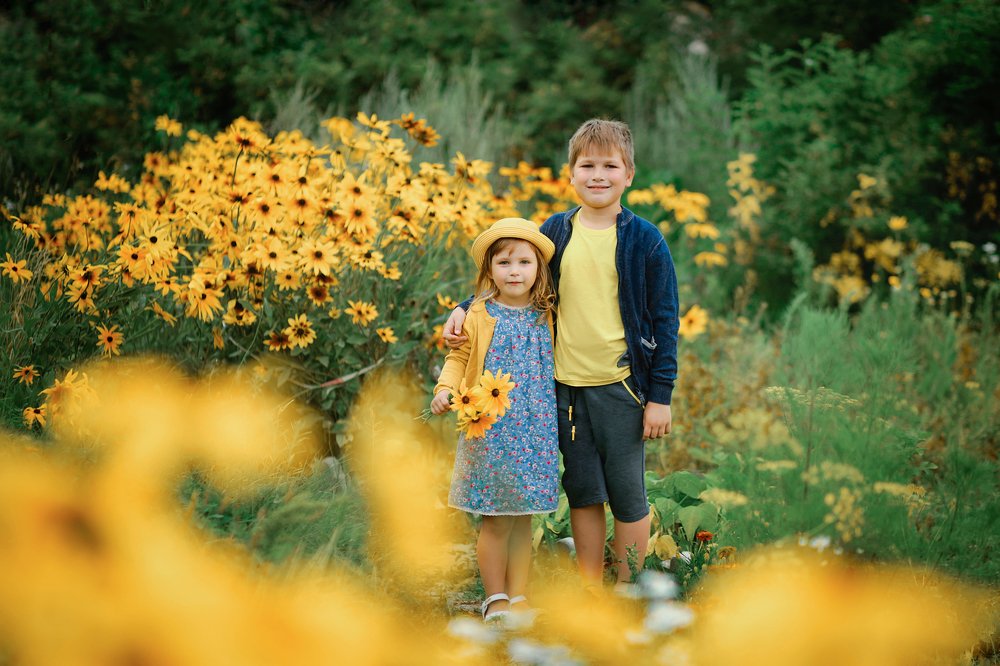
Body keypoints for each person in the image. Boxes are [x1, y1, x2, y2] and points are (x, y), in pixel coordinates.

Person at [443, 119, 679, 586]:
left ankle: (628, 583)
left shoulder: (644, 239)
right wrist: (465, 306)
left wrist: (660, 394)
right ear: (569, 173)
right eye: (586, 165)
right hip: (565, 390)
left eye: (610, 166)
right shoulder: (555, 233)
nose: (598, 175)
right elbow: (514, 280)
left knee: (628, 492)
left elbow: (665, 319)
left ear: (629, 174)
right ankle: (590, 587)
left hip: (623, 386)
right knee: (584, 490)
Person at [431, 217, 559, 623]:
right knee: (496, 518)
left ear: (539, 269)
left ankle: (518, 596)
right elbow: (459, 357)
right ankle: (495, 597)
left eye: (524, 262)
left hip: (535, 431)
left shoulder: (548, 312)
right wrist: (443, 390)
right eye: (504, 263)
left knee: (523, 518)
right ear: (489, 271)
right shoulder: (479, 314)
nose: (515, 271)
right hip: (491, 430)